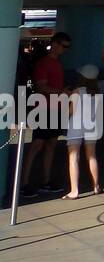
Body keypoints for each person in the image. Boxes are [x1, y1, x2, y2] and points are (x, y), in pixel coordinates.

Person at [21, 32, 71, 197]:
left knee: (50, 144)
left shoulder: (58, 63)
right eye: (64, 46)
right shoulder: (44, 63)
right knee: (37, 145)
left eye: (67, 47)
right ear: (55, 44)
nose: (65, 49)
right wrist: (62, 92)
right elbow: (41, 87)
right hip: (43, 108)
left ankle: (45, 181)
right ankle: (24, 183)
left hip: (56, 108)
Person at [62, 65, 103, 200]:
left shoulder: (77, 91)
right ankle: (96, 186)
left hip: (76, 126)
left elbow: (71, 111)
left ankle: (74, 191)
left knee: (74, 157)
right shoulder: (97, 92)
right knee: (92, 156)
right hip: (91, 126)